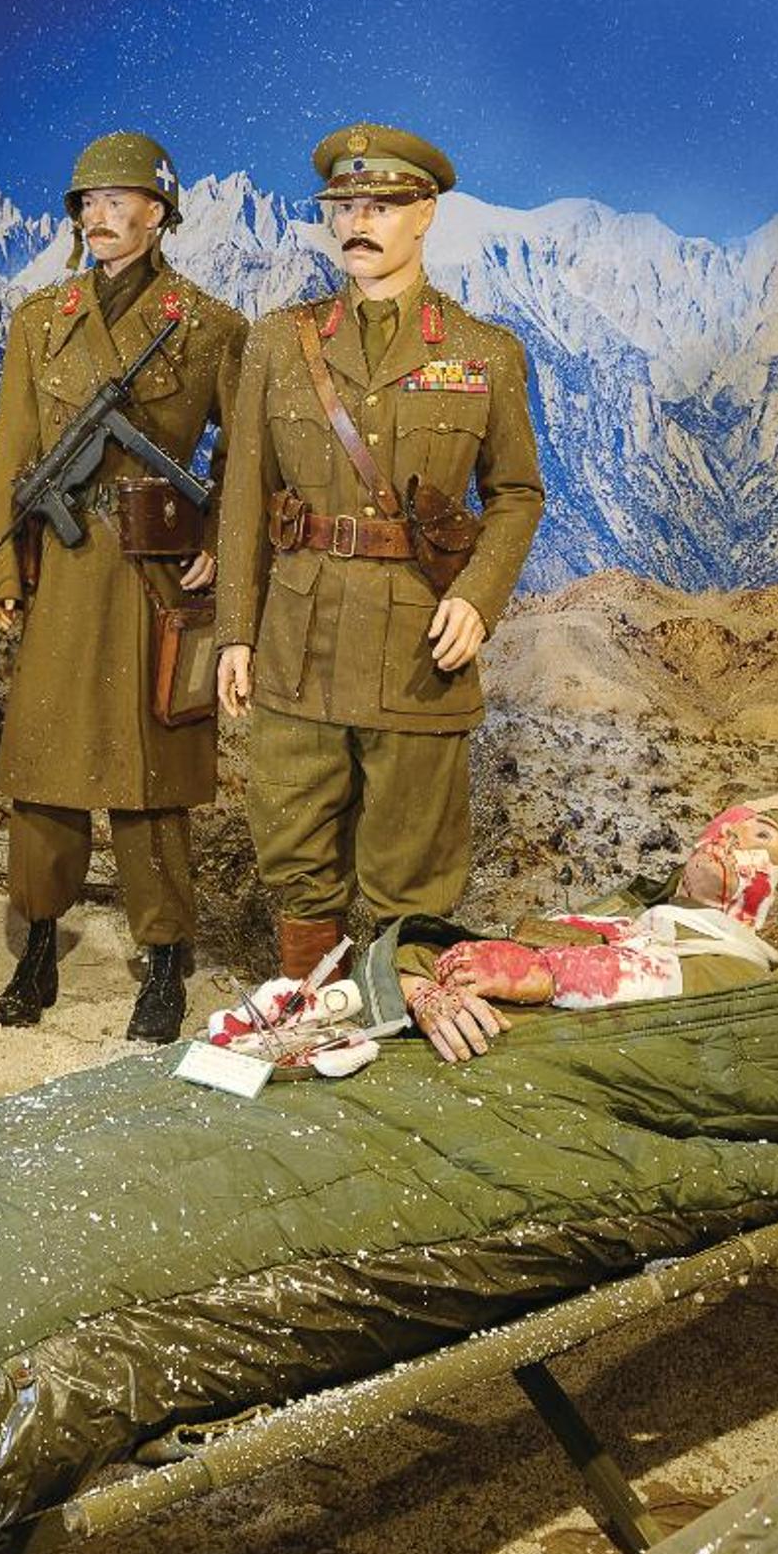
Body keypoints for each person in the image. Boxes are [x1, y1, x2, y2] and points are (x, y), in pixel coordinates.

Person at [214, 123, 544, 986]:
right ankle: (313, 1012)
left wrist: (477, 595)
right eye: (345, 205)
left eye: (383, 206)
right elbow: (244, 494)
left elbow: (516, 493)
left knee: (411, 870)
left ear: (425, 213)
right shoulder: (278, 343)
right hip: (300, 642)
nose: (358, 222)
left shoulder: (483, 353)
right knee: (295, 850)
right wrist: (235, 631)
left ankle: (405, 1027)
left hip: (417, 648)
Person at [0, 131, 246, 1042]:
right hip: (60, 567)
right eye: (86, 203)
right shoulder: (38, 320)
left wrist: (218, 537)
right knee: (44, 771)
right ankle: (36, 945)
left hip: (151, 574)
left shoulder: (207, 326)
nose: (98, 216)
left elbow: (245, 457)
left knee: (149, 778)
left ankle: (164, 957)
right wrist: (1, 563)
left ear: (157, 212)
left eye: (117, 200)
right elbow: (10, 449)